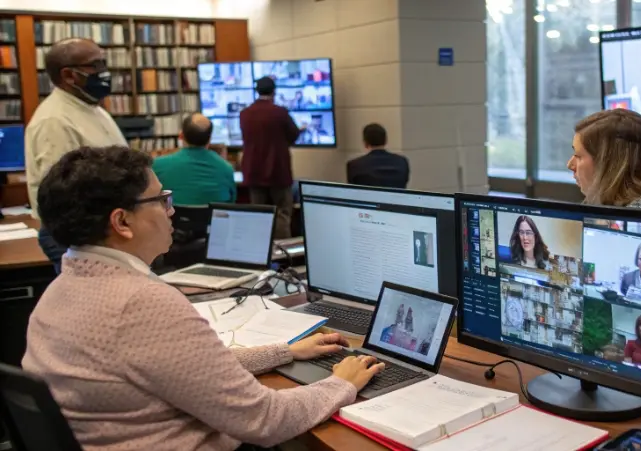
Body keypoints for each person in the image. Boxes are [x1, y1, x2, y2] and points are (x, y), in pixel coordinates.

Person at [23, 146, 384, 450]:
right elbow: (265, 419)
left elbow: (187, 368)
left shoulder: (62, 289)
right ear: (122, 222)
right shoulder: (141, 303)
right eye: (162, 199)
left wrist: (285, 352)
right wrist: (342, 382)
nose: (172, 211)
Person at [24, 38, 127, 273]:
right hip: (81, 240)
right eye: (96, 65)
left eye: (104, 63)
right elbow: (65, 194)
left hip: (105, 235)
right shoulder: (55, 121)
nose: (104, 72)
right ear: (69, 75)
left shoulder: (93, 109)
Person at [240, 76, 301, 239]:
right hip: (278, 171)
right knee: (282, 213)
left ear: (256, 91)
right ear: (274, 91)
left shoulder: (245, 114)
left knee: (260, 215)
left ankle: (261, 252)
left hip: (253, 172)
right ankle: (282, 254)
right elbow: (293, 135)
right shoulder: (280, 113)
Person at [152, 113, 236, 205]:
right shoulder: (226, 168)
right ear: (209, 139)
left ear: (181, 136)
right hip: (212, 219)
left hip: (173, 218)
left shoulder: (157, 165)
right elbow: (231, 202)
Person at [347, 123, 410, 188]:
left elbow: (353, 191)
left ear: (365, 143)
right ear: (385, 141)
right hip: (396, 198)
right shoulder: (402, 162)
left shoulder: (355, 165)